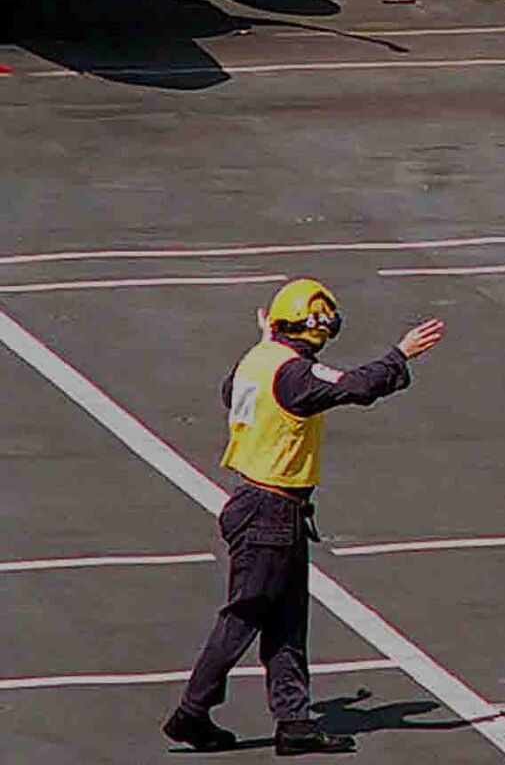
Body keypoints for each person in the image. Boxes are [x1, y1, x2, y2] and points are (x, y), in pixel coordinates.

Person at [163, 280, 444, 755]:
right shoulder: (293, 375)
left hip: (268, 507)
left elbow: (231, 392)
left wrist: (268, 341)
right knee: (246, 614)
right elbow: (355, 386)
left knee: (287, 618)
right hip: (270, 510)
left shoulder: (255, 359)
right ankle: (192, 711)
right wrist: (401, 355)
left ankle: (293, 721)